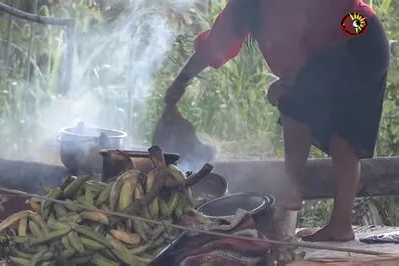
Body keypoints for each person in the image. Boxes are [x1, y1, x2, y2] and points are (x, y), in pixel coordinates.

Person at [163, 0, 390, 242]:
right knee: (343, 135)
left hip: (356, 36)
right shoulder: (246, 6)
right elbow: (215, 45)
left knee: (296, 101)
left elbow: (299, 50)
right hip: (363, 36)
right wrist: (181, 81)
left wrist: (285, 85)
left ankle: (293, 187)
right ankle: (340, 225)